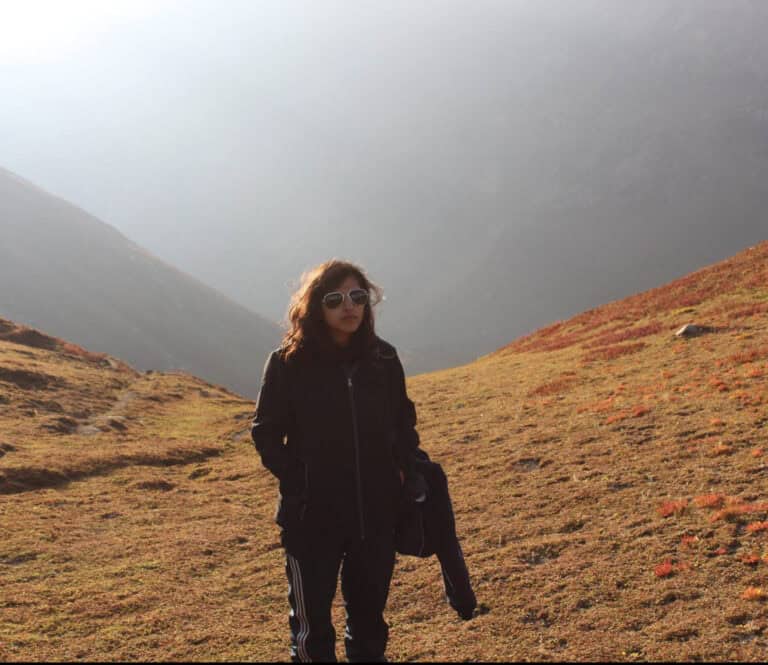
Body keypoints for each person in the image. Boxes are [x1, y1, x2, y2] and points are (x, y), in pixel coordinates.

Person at [251, 259, 421, 662]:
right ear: (316, 307)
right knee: (312, 632)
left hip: (375, 517)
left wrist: (403, 472)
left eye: (358, 296)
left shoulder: (384, 359)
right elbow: (266, 433)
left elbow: (403, 423)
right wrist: (301, 480)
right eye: (335, 298)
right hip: (312, 519)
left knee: (369, 627)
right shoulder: (288, 363)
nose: (350, 306)